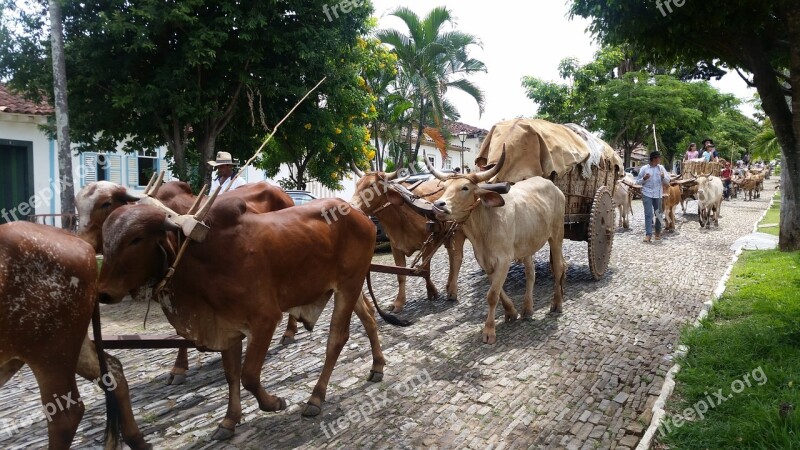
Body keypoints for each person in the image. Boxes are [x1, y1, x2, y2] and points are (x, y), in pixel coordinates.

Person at [635, 151, 671, 242]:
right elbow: (637, 182)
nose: (660, 159)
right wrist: (644, 178)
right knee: (648, 214)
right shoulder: (644, 169)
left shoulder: (661, 168)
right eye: (659, 158)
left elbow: (667, 182)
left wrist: (663, 177)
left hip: (658, 193)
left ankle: (658, 233)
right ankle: (648, 234)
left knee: (658, 213)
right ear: (654, 159)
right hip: (647, 193)